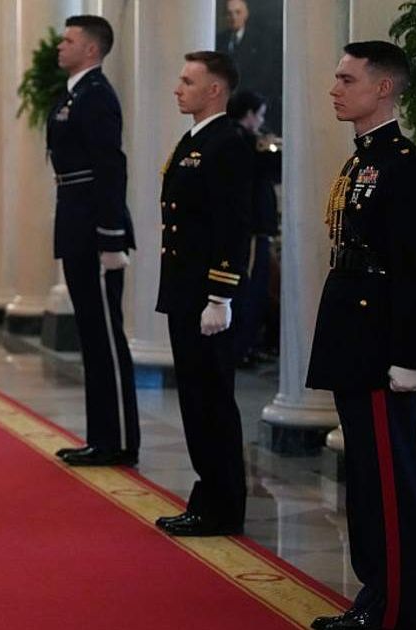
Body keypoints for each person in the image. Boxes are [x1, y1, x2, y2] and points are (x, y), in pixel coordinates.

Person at [306, 41, 416, 630]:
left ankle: (395, 613)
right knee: (365, 478)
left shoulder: (403, 164)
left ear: (383, 87)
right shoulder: (361, 159)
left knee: (390, 487)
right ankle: (373, 597)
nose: (335, 89)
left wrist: (411, 355)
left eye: (347, 78)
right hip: (353, 339)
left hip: (384, 346)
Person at [153, 51, 253, 537]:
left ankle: (223, 505)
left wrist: (221, 296)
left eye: (188, 81)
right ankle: (208, 497)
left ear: (215, 90)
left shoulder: (228, 143)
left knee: (212, 399)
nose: (178, 88)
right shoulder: (195, 139)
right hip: (185, 289)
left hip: (206, 296)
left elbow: (234, 225)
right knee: (195, 398)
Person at [47, 15, 141, 468]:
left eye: (68, 41)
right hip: (75, 220)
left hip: (94, 227)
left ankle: (118, 439)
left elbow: (110, 166)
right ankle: (101, 436)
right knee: (91, 334)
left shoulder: (97, 96)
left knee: (105, 336)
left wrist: (111, 237)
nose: (59, 46)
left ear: (91, 49)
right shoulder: (76, 93)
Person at [225, 89, 280, 367]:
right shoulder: (242, 142)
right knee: (249, 292)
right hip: (252, 230)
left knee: (255, 292)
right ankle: (237, 349)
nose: (261, 122)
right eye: (259, 115)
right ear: (248, 114)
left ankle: (242, 346)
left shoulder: (242, 140)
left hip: (255, 230)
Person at [215, 0, 282, 135]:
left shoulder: (260, 42)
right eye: (229, 13)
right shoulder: (219, 40)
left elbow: (264, 74)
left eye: (238, 12)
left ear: (246, 14)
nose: (233, 17)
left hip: (251, 107)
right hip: (225, 108)